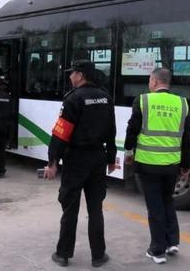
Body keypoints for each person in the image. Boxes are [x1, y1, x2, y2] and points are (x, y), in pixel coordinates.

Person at [43, 60, 116, 268]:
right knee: (96, 209)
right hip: (98, 159)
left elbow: (60, 134)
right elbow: (112, 131)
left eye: (72, 73)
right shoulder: (106, 97)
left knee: (70, 209)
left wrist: (52, 162)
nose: (70, 76)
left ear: (81, 75)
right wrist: (111, 158)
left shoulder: (73, 99)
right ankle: (99, 256)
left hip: (76, 160)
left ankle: (63, 254)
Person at [124, 67, 190, 265]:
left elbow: (132, 130)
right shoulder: (182, 103)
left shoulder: (144, 100)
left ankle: (157, 250)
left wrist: (129, 153)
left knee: (154, 207)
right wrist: (185, 164)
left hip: (148, 164)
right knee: (167, 201)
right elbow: (188, 138)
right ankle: (172, 242)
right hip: (171, 164)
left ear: (154, 82)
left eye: (149, 81)